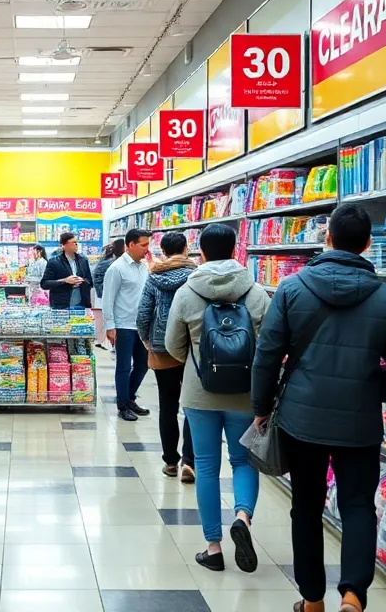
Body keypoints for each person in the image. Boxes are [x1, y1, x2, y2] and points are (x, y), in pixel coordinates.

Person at [252, 204, 386, 612]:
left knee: (306, 506)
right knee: (359, 505)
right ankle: (353, 596)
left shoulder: (293, 288)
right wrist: (372, 390)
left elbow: (267, 354)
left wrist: (260, 406)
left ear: (326, 238)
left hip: (300, 419)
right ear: (367, 244)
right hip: (359, 423)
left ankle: (312, 599)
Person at [165, 222, 270, 574]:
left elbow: (172, 345)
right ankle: (242, 516)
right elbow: (270, 345)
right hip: (246, 392)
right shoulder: (255, 293)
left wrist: (196, 362)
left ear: (202, 252)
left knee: (207, 466)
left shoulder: (186, 291)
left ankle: (213, 547)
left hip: (199, 393)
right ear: (237, 249)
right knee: (243, 461)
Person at [136, 231, 196, 480]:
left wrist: (147, 340)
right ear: (185, 249)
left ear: (163, 251)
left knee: (168, 405)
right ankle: (189, 462)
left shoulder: (154, 277)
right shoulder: (196, 275)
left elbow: (143, 313)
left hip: (162, 348)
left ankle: (170, 461)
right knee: (192, 405)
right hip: (193, 347)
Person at [102, 228, 151, 421]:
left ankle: (129, 397)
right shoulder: (116, 268)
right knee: (123, 366)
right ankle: (122, 405)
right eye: (143, 245)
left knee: (143, 364)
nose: (147, 249)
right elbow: (108, 299)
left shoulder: (143, 267)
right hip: (123, 325)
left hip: (141, 325)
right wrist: (110, 325)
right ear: (130, 245)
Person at [40, 232, 94, 310]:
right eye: (72, 243)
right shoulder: (54, 262)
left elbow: (90, 282)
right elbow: (44, 284)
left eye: (76, 242)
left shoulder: (83, 260)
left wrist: (82, 281)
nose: (76, 245)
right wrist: (65, 281)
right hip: (61, 306)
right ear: (63, 245)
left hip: (81, 304)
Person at [92, 240, 123, 351]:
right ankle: (110, 344)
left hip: (105, 295)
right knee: (110, 320)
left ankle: (108, 343)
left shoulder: (109, 261)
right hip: (108, 296)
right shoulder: (114, 264)